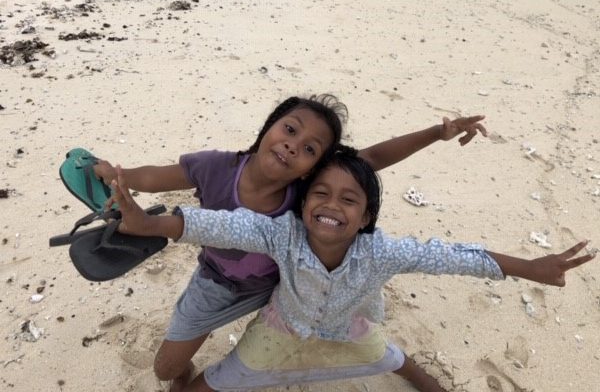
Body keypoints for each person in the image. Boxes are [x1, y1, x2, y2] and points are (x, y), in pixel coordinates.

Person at [110, 148, 595, 392]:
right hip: (281, 327)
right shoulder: (280, 234)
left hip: (348, 327)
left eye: (348, 200)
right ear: (302, 207)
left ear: (365, 217)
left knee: (391, 358)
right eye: (319, 195)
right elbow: (219, 225)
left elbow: (454, 255)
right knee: (211, 383)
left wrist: (531, 267)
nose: (330, 206)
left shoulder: (381, 251)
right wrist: (153, 223)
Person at [94, 94, 487, 390]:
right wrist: (115, 176)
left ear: (316, 167)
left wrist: (438, 133)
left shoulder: (303, 192)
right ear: (269, 126)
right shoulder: (215, 167)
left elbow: (372, 157)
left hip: (277, 289)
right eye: (290, 129)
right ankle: (186, 376)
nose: (293, 145)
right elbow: (153, 178)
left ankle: (395, 362)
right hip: (215, 282)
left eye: (311, 149)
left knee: (338, 325)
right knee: (165, 369)